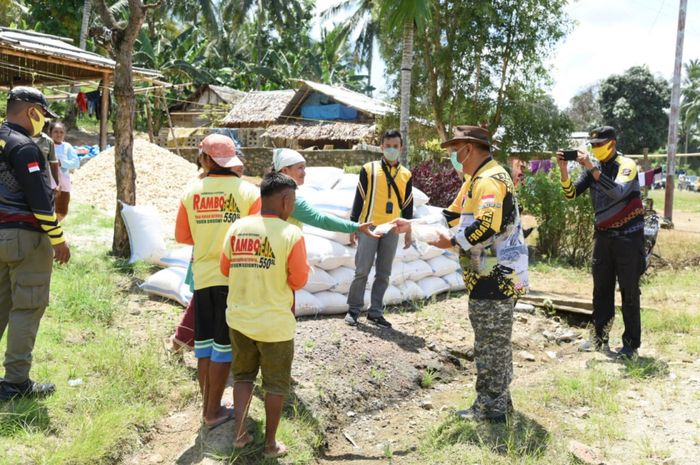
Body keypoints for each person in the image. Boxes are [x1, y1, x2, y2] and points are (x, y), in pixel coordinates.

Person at [427, 125, 528, 423]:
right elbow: (451, 214)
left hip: (496, 275)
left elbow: (487, 225)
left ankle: (490, 409)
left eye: (455, 151)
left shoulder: (490, 180)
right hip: (487, 274)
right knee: (494, 341)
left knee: (490, 345)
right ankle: (500, 403)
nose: (453, 157)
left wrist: (453, 241)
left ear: (469, 149)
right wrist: (412, 226)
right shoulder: (476, 179)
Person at [221, 171, 309, 459]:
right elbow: (298, 280)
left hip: (239, 320)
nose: (293, 206)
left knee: (243, 377)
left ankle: (239, 435)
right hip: (275, 326)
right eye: (293, 200)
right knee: (275, 385)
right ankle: (270, 444)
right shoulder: (291, 234)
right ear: (284, 200)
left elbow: (225, 269)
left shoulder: (237, 227)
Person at [174, 134, 260, 429]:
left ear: (206, 159)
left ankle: (208, 405)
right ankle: (212, 413)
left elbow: (183, 237)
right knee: (224, 348)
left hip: (204, 276)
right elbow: (257, 234)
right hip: (234, 277)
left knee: (205, 345)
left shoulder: (191, 192)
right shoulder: (249, 192)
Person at [0, 86, 71, 401]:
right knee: (27, 307)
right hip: (24, 238)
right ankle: (15, 383)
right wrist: (58, 239)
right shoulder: (24, 146)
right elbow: (41, 201)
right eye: (42, 115)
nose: (43, 121)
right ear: (32, 111)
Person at [557, 126, 644, 359]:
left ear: (612, 144)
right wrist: (564, 171)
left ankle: (630, 345)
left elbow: (617, 192)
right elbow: (570, 194)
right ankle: (599, 339)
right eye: (593, 145)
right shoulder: (593, 169)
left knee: (629, 291)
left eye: (599, 145)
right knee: (601, 290)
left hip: (629, 237)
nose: (595, 149)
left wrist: (591, 167)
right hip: (604, 237)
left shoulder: (627, 165)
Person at [344, 129, 413, 329]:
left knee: (384, 273)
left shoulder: (406, 175)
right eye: (388, 146)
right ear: (381, 147)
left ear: (401, 148)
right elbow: (359, 198)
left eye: (395, 146)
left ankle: (375, 312)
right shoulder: (369, 169)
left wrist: (408, 231)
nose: (391, 149)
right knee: (362, 270)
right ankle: (353, 310)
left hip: (392, 228)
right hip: (369, 226)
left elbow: (408, 207)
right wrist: (353, 225)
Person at [271, 148, 377, 240]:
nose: (304, 173)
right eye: (300, 168)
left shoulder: (271, 190)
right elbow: (320, 219)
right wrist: (355, 227)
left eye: (304, 168)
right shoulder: (290, 198)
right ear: (285, 170)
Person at [49, 122, 81, 221]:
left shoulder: (67, 147)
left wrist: (61, 162)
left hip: (63, 185)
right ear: (50, 133)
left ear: (65, 134)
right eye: (56, 132)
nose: (58, 134)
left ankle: (56, 229)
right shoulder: (46, 144)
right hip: (48, 184)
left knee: (61, 211)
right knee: (47, 211)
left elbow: (76, 163)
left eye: (61, 132)